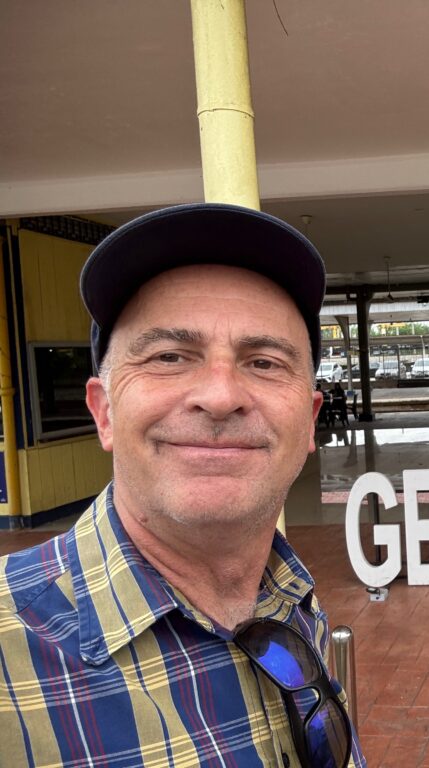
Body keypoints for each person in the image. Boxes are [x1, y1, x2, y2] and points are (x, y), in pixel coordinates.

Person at [0, 203, 366, 767]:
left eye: (265, 362)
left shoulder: (288, 601)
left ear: (309, 421)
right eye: (170, 356)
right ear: (103, 412)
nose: (221, 396)